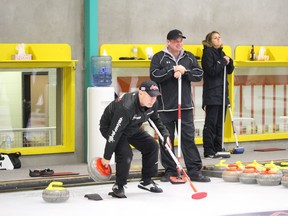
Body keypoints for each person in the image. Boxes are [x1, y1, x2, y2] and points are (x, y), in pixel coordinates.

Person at [150, 29, 210, 183]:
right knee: (166, 140)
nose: (179, 43)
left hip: (185, 107)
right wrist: (171, 70)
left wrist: (185, 71)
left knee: (188, 138)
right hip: (165, 107)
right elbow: (154, 75)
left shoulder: (188, 57)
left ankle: (194, 170)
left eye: (181, 40)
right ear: (168, 42)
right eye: (175, 41)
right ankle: (170, 169)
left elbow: (198, 74)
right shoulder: (159, 57)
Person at [99, 80, 170, 198]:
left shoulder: (153, 103)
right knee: (126, 153)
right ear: (141, 93)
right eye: (150, 96)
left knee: (152, 146)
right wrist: (107, 157)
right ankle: (119, 185)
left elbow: (156, 120)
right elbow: (114, 133)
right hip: (111, 128)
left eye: (155, 96)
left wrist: (164, 134)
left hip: (132, 127)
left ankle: (146, 181)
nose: (153, 99)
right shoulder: (127, 107)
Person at [201, 31, 235, 159]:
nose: (218, 39)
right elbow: (211, 70)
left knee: (220, 122)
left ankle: (218, 146)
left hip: (222, 93)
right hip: (212, 94)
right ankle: (208, 149)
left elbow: (230, 71)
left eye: (219, 37)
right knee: (211, 123)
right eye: (215, 38)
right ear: (210, 41)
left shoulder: (222, 52)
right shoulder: (208, 53)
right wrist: (222, 62)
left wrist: (229, 61)